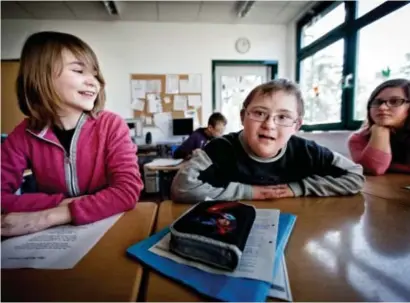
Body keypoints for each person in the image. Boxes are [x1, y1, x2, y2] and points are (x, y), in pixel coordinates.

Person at [1, 31, 143, 237]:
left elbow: (127, 192)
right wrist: (59, 203)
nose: (95, 82)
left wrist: (47, 216)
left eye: (95, 74)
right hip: (52, 237)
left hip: (105, 226)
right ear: (41, 76)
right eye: (79, 70)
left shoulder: (111, 125)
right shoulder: (24, 134)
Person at [170, 79, 364, 202]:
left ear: (296, 126)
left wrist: (299, 188)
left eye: (283, 117)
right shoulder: (220, 148)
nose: (269, 124)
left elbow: (355, 176)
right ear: (243, 117)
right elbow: (182, 187)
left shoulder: (307, 152)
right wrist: (248, 192)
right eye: (259, 113)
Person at [348, 78, 410, 175]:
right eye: (377, 102)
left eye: (394, 101)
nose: (382, 107)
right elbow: (372, 169)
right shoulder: (359, 138)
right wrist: (380, 132)